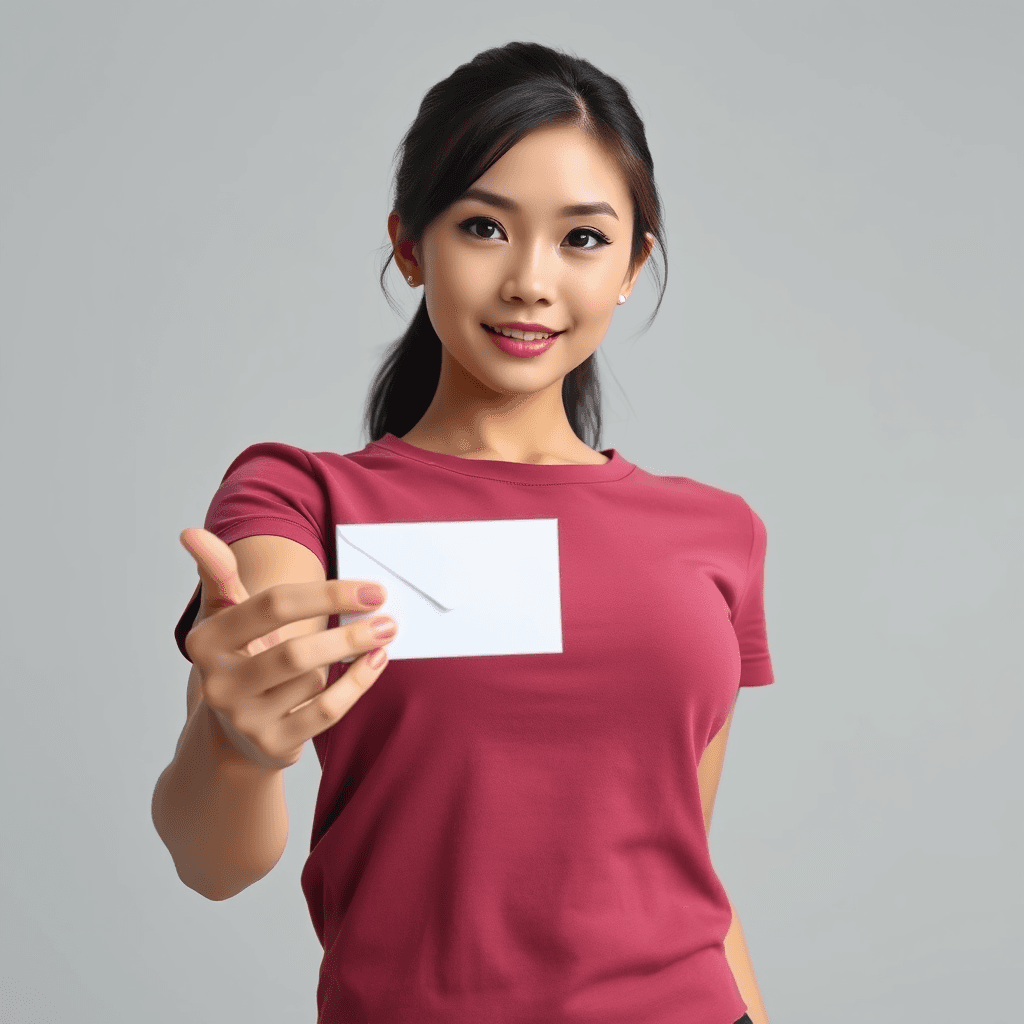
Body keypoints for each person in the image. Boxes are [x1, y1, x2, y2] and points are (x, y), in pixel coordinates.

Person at [150, 41, 774, 1024]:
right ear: (410, 244)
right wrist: (233, 745)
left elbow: (684, 863)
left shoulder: (716, 533)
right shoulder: (299, 498)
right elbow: (213, 862)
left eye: (581, 239)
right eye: (484, 226)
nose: (530, 280)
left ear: (631, 266)